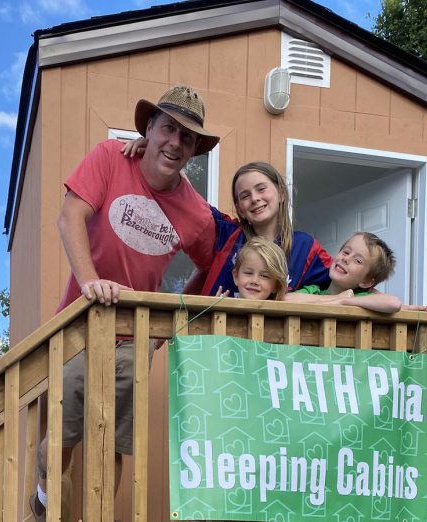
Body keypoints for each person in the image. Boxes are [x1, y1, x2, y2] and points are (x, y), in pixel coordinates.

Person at [30, 84, 221, 521]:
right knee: (60, 436)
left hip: (133, 340)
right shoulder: (111, 158)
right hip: (79, 324)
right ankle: (44, 501)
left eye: (186, 137)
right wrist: (91, 282)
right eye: (168, 129)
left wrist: (167, 320)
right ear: (149, 129)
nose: (175, 143)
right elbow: (69, 216)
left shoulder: (196, 213)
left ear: (193, 150)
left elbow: (213, 266)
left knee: (112, 444)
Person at [121, 143, 332, 296]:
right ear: (239, 209)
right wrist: (155, 152)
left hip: (272, 355)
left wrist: (296, 297)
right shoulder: (225, 233)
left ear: (282, 194)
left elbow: (346, 284)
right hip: (215, 348)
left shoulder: (306, 248)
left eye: (261, 189)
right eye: (245, 196)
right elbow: (185, 196)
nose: (255, 199)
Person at [286, 231, 403, 313]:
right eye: (346, 252)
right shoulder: (314, 291)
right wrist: (333, 299)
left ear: (366, 281)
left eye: (357, 261)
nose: (346, 259)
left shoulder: (358, 297)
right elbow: (285, 300)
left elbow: (394, 303)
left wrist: (343, 300)